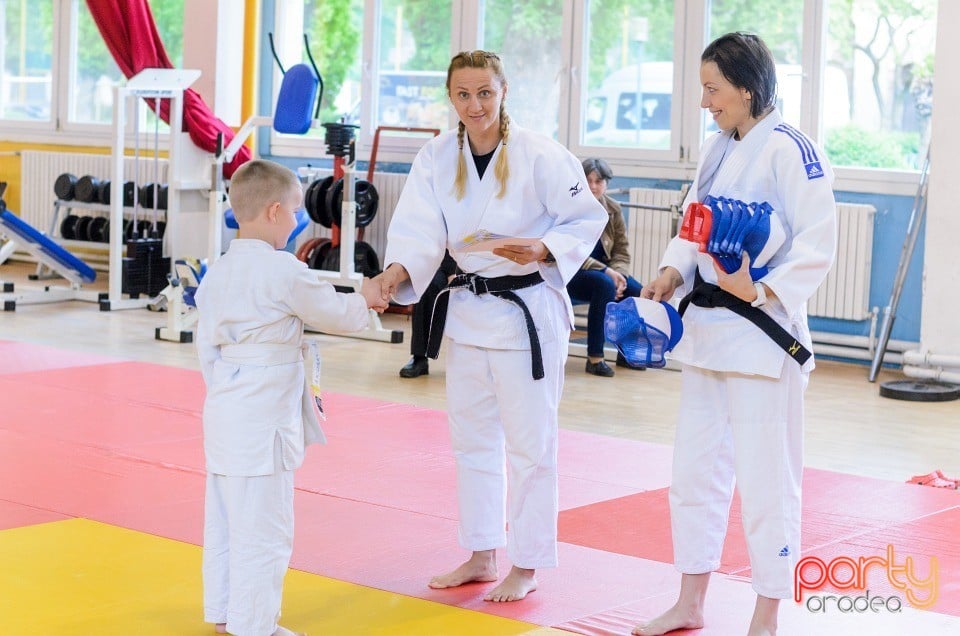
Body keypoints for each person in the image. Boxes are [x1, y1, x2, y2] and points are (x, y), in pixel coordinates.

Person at [375, 50, 606, 602]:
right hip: (471, 313)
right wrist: (397, 269)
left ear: (503, 91)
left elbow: (586, 218)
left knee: (531, 447)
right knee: (472, 442)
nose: (474, 105)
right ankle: (481, 552)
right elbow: (418, 226)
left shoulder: (541, 154)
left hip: (527, 314)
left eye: (484, 92)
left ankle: (526, 563)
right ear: (450, 98)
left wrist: (546, 247)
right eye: (463, 94)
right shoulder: (436, 156)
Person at [634, 33, 836, 636]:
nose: (705, 102)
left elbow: (818, 243)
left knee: (768, 480)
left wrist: (761, 290)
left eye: (713, 89)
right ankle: (691, 600)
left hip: (762, 338)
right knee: (694, 474)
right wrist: (672, 270)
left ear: (747, 88)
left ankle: (766, 613)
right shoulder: (717, 148)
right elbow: (695, 222)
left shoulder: (795, 151)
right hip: (706, 333)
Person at [194, 159, 387, 636]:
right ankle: (254, 626)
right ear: (276, 212)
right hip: (262, 419)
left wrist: (227, 386)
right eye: (298, 210)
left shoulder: (216, 272)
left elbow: (205, 350)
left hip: (224, 408)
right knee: (265, 529)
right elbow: (334, 312)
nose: (301, 220)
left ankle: (224, 613)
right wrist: (365, 297)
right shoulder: (282, 269)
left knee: (224, 520)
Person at [567, 157, 644, 377]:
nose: (593, 186)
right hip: (573, 273)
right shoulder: (571, 208)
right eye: (587, 180)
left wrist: (619, 275)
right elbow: (571, 252)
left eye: (598, 181)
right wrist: (607, 272)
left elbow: (621, 250)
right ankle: (595, 358)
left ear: (606, 183)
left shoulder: (613, 209)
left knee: (636, 290)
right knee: (603, 285)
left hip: (607, 273)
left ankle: (625, 353)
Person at [398, 250, 458, 378]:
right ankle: (419, 357)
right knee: (428, 285)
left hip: (488, 266)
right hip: (452, 262)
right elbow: (449, 241)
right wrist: (451, 271)